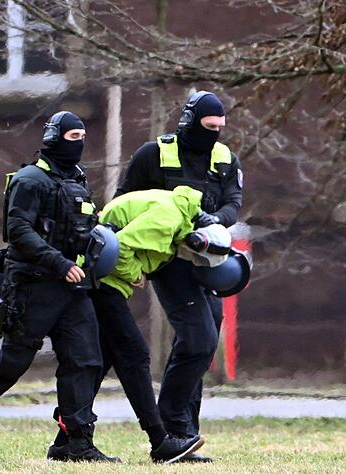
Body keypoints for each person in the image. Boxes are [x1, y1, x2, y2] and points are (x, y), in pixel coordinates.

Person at [0, 111, 118, 462]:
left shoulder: (78, 180)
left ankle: (76, 443)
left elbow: (84, 231)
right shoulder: (30, 180)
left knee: (85, 360)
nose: (80, 143)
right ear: (53, 138)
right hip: (33, 287)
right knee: (13, 362)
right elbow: (19, 231)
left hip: (73, 288)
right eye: (72, 137)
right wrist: (59, 263)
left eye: (83, 137)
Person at [46, 186, 241, 464]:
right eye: (197, 258)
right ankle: (160, 441)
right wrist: (135, 274)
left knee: (99, 362)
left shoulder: (179, 218)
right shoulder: (167, 220)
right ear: (197, 239)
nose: (193, 262)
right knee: (135, 356)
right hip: (103, 282)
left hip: (105, 281)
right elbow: (120, 247)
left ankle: (66, 441)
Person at [115, 90, 243, 463]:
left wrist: (213, 222)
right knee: (199, 339)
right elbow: (122, 204)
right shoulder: (153, 155)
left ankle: (186, 433)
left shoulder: (225, 159)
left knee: (201, 343)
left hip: (208, 260)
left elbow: (233, 203)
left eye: (219, 128)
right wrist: (130, 259)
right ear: (189, 121)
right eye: (208, 127)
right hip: (167, 260)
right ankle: (171, 425)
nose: (214, 135)